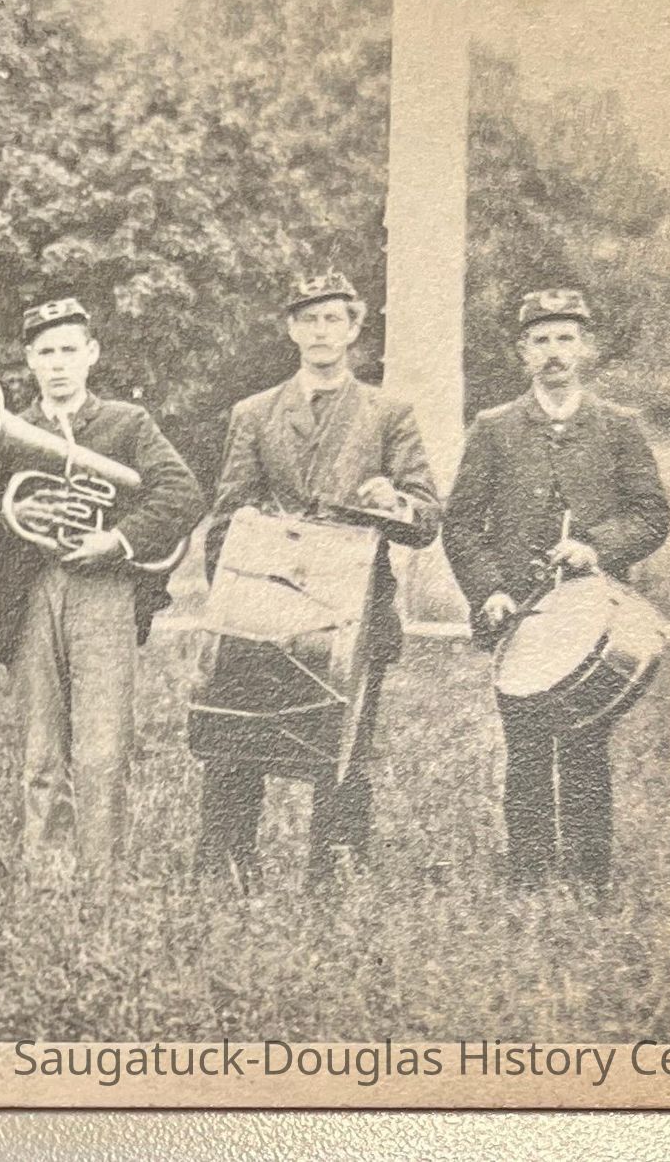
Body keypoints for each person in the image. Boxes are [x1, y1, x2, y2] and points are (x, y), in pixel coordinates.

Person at [193, 268, 443, 886]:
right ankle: (226, 868)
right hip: (263, 606)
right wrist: (237, 590)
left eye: (334, 318)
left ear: (355, 329)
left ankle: (335, 876)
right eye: (308, 319)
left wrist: (394, 502)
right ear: (290, 329)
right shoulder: (254, 413)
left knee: (345, 746)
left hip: (352, 615)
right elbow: (226, 516)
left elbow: (427, 517)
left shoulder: (389, 414)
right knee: (238, 738)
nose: (321, 331)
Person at [0, 296, 205, 889]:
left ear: (92, 354)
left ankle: (101, 874)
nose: (59, 364)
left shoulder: (128, 424)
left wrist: (117, 539)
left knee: (102, 746)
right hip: (28, 593)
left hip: (105, 590)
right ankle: (46, 872)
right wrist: (18, 507)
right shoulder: (7, 432)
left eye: (70, 350)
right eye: (46, 352)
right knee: (42, 747)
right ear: (28, 360)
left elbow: (183, 495)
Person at [443, 288, 670, 888]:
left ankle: (589, 871)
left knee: (585, 739)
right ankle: (529, 871)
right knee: (524, 744)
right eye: (541, 340)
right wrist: (488, 590)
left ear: (586, 347)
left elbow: (652, 515)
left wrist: (594, 546)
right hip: (517, 612)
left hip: (591, 612)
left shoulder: (619, 427)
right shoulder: (494, 428)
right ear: (523, 352)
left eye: (565, 338)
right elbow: (462, 522)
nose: (554, 352)